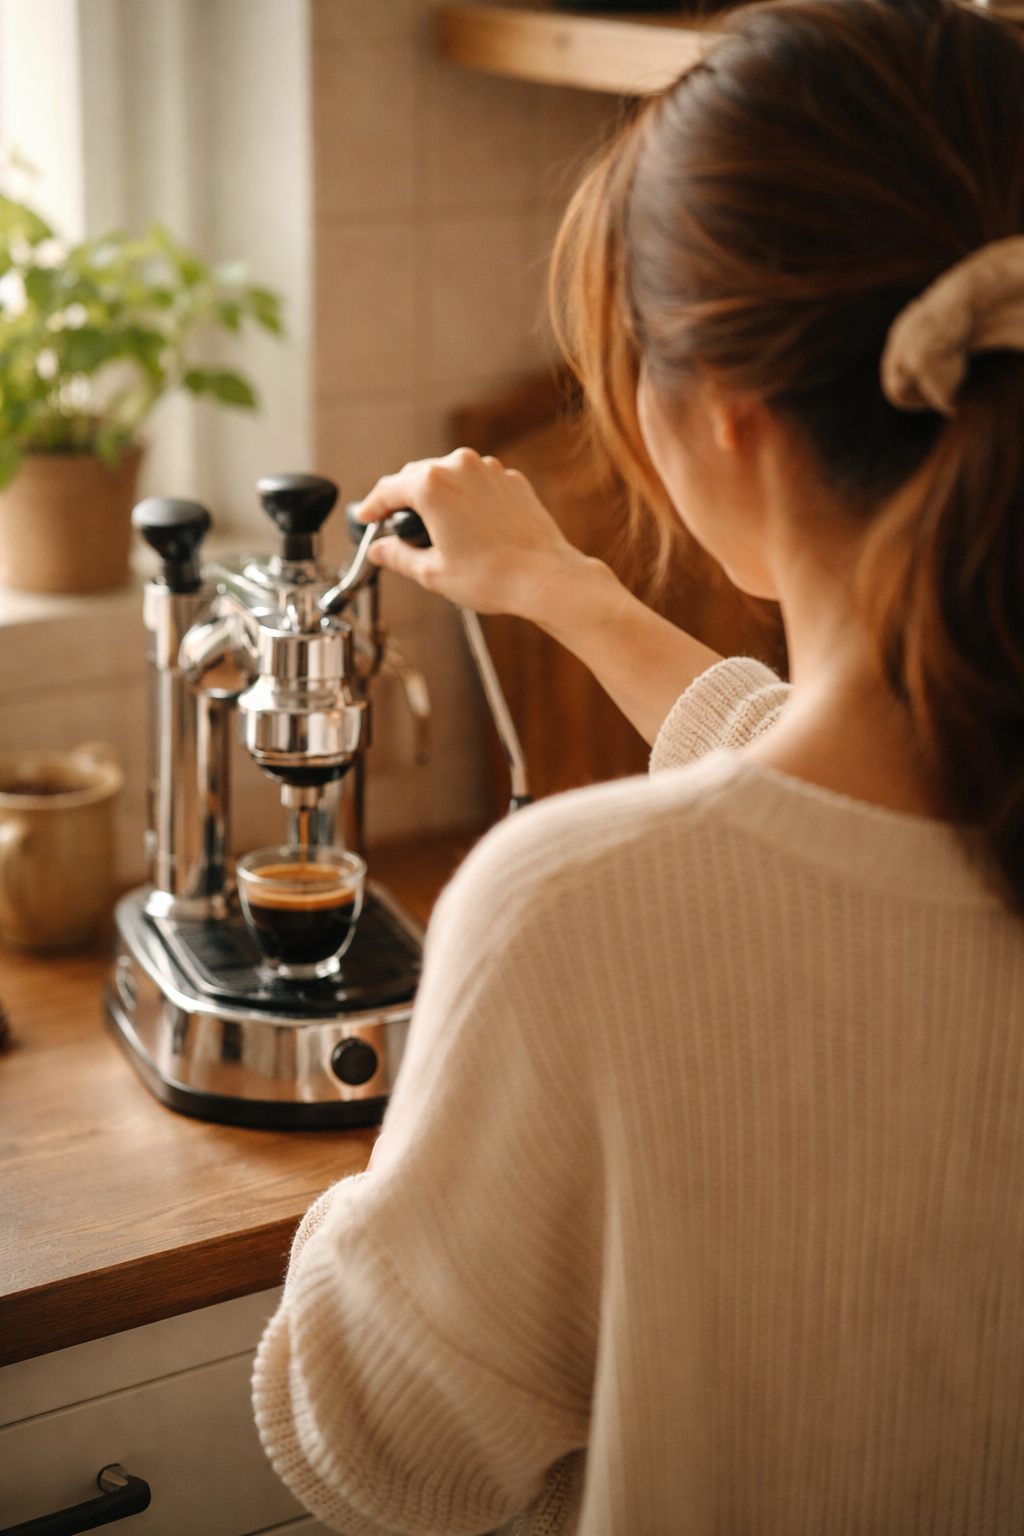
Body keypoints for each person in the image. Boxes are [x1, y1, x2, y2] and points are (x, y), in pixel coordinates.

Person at [253, 0, 1024, 1529]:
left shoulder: (568, 917)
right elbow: (857, 829)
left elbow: (384, 1447)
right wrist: (568, 592)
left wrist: (430, 1153)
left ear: (722, 417)